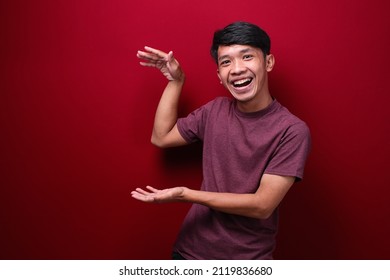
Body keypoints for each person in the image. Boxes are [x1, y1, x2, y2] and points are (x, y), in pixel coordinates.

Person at [132, 21, 311, 260]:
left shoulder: (291, 130)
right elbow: (161, 137)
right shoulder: (214, 111)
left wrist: (185, 194)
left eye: (247, 57)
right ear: (219, 75)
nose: (236, 69)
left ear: (268, 63)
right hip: (189, 253)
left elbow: (262, 205)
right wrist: (176, 81)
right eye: (226, 61)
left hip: (246, 260)